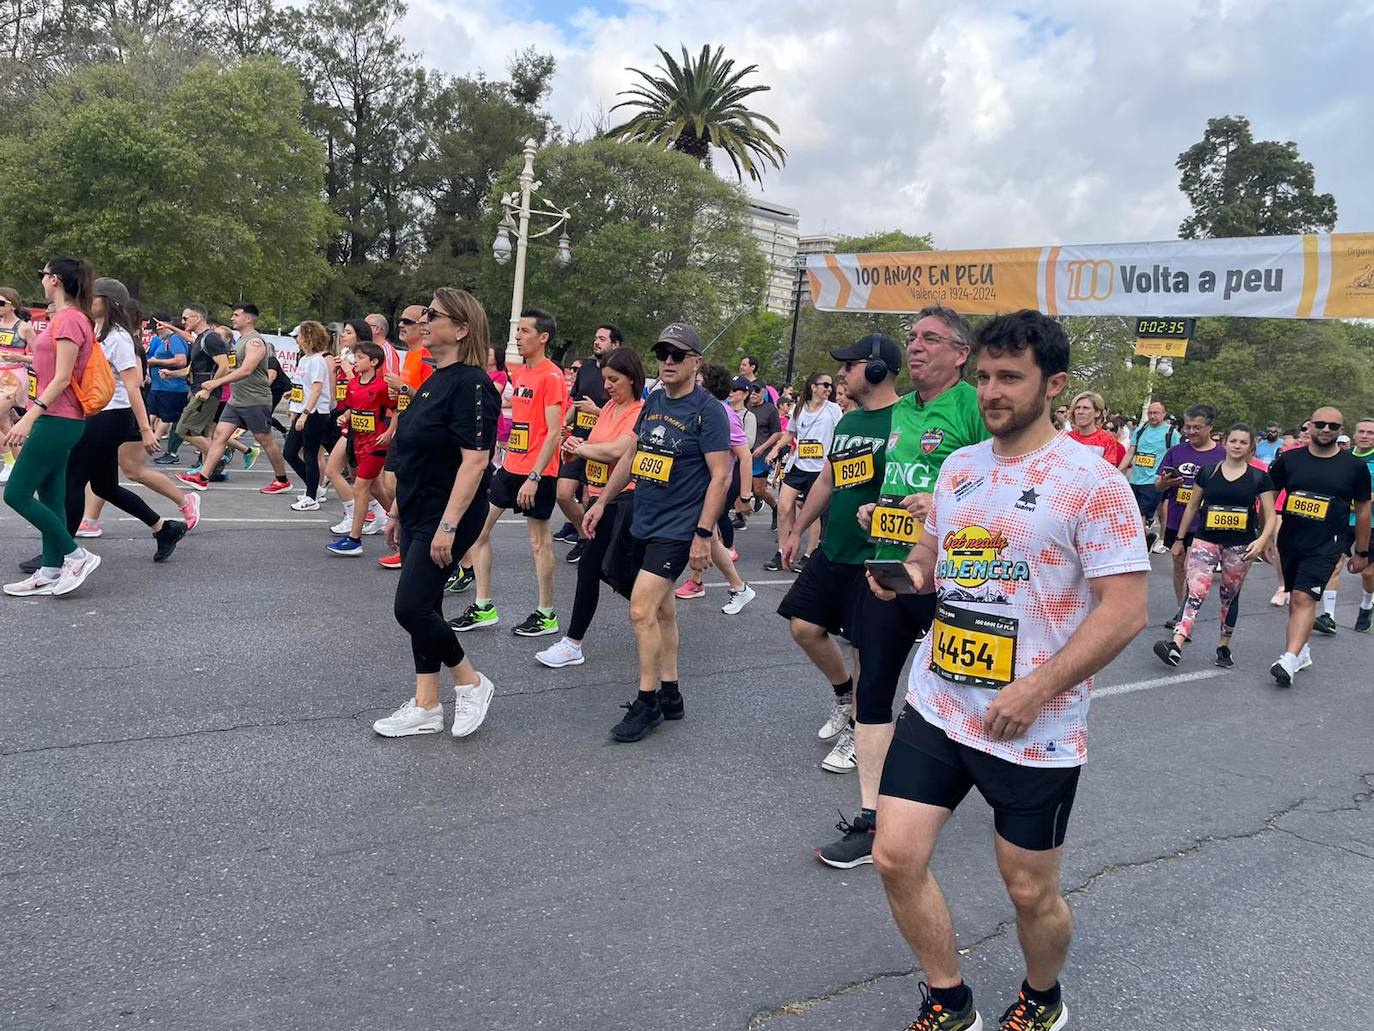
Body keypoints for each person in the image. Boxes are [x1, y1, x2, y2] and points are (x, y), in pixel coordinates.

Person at [871, 309, 1148, 1031]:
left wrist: (1036, 687)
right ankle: (947, 995)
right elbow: (931, 557)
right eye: (985, 375)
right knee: (896, 855)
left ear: (1053, 384)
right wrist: (904, 572)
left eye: (1009, 377)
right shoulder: (960, 468)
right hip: (939, 702)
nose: (991, 391)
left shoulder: (1094, 483)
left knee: (1030, 892)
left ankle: (1043, 994)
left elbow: (1124, 611)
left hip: (1035, 726)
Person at [818, 308, 988, 870]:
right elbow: (899, 480)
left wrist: (942, 509)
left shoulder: (974, 407)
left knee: (964, 692)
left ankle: (1001, 789)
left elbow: (1003, 483)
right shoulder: (901, 411)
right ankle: (873, 820)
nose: (914, 347)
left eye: (930, 340)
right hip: (889, 565)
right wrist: (877, 510)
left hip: (960, 571)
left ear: (961, 354)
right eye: (912, 338)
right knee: (874, 688)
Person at [582, 322, 730, 742]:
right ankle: (671, 693)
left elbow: (720, 477)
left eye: (677, 355)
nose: (667, 361)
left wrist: (703, 535)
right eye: (663, 353)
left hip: (678, 528)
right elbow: (633, 454)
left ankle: (647, 703)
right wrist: (601, 502)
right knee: (663, 611)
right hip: (643, 518)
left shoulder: (708, 411)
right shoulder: (653, 401)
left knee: (640, 610)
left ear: (695, 362)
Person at [373, 289, 500, 738]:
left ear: (462, 328)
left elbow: (475, 460)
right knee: (426, 605)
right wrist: (397, 512)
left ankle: (471, 682)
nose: (422, 321)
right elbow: (416, 454)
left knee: (409, 607)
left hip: (449, 515)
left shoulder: (472, 384)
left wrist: (447, 526)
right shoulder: (432, 378)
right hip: (418, 509)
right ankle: (427, 705)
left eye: (433, 315)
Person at [777, 334, 903, 779]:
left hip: (875, 556)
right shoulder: (848, 423)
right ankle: (843, 696)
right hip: (834, 549)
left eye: (849, 366)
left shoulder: (903, 420)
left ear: (874, 370)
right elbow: (828, 481)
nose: (842, 375)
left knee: (865, 648)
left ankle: (859, 727)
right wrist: (793, 529)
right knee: (804, 627)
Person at [450, 308, 567, 637]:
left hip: (537, 472)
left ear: (543, 338)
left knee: (539, 543)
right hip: (510, 466)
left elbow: (554, 432)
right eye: (517, 331)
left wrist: (534, 476)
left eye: (525, 331)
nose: (517, 336)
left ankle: (547, 614)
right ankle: (484, 606)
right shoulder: (521, 374)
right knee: (478, 531)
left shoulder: (552, 376)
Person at [60, 278, 192, 563]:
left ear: (108, 302)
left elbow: (133, 386)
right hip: (99, 413)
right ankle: (164, 528)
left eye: (92, 296)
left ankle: (62, 553)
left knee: (73, 478)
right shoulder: (97, 331)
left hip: (112, 415)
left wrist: (146, 430)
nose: (86, 300)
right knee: (104, 487)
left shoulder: (119, 337)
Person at [536, 346, 646, 668]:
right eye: (605, 379)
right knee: (604, 570)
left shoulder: (639, 411)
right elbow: (597, 449)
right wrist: (575, 450)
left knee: (597, 568)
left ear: (632, 377)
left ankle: (574, 642)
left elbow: (617, 452)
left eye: (614, 379)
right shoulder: (609, 407)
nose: (607, 386)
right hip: (599, 499)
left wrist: (584, 449)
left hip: (624, 501)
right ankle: (653, 611)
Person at [3, 257, 102, 597]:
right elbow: (52, 366)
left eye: (43, 274)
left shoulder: (70, 320)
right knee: (51, 496)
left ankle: (77, 555)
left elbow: (63, 377)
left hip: (57, 418)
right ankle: (49, 569)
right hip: (55, 417)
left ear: (56, 279)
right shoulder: (61, 319)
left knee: (15, 493)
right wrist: (26, 353)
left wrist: (29, 417)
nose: (41, 280)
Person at [1152, 424, 1277, 669]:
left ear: (1251, 446)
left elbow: (1270, 515)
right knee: (1196, 590)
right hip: (1205, 538)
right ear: (1225, 443)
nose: (1237, 446)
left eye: (1243, 442)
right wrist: (1178, 540)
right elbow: (1192, 506)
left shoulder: (1259, 477)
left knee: (1229, 596)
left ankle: (1223, 646)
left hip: (1240, 544)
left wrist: (1262, 541)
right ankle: (1176, 643)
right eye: (1233, 441)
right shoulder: (1208, 473)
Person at [1266, 406, 1372, 684]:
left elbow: (1362, 510)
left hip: (1328, 542)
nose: (1326, 430)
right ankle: (1302, 651)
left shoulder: (1354, 466)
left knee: (1303, 598)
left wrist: (1361, 551)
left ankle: (1288, 659)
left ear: (1340, 431)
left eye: (1333, 427)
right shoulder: (1289, 460)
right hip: (1291, 540)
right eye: (1321, 424)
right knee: (1296, 597)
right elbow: (1269, 494)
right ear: (1310, 426)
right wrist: (1264, 534)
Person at [176, 304, 292, 494]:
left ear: (248, 319)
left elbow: (246, 370)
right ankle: (203, 477)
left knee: (265, 440)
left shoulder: (254, 342)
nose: (232, 318)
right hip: (236, 399)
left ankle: (282, 480)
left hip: (254, 399)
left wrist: (216, 382)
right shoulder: (240, 341)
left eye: (236, 315)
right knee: (220, 436)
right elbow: (233, 368)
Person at [672, 366, 756, 613]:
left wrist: (745, 496)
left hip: (716, 487)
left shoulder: (723, 414)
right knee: (711, 538)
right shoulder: (702, 409)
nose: (693, 385)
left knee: (705, 535)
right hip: (700, 486)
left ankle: (736, 587)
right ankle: (726, 586)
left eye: (698, 381)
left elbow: (745, 455)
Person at [554, 323, 621, 562]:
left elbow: (624, 412)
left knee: (589, 497)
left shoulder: (622, 374)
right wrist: (563, 424)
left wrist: (596, 411)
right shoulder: (586, 369)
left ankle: (592, 543)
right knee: (562, 494)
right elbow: (575, 402)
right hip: (578, 442)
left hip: (603, 446)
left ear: (616, 344)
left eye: (602, 338)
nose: (596, 342)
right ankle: (583, 533)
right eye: (596, 338)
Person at [764, 372, 842, 572]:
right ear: (813, 386)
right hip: (799, 465)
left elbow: (841, 433)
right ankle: (782, 551)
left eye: (830, 386)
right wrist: (774, 449)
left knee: (812, 512)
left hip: (821, 468)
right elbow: (791, 432)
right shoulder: (799, 409)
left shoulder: (833, 410)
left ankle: (809, 554)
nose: (828, 389)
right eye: (825, 384)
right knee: (783, 506)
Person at [1154, 405, 1224, 627]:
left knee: (1194, 570)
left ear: (1210, 428)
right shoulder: (1176, 452)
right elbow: (1158, 486)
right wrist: (1165, 483)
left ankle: (1185, 617)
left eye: (1197, 428)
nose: (1191, 432)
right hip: (1177, 518)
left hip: (1206, 521)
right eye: (1188, 427)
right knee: (1178, 565)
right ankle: (1181, 608)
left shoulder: (1222, 454)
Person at [377, 303, 434, 569]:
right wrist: (392, 427)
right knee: (390, 485)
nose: (400, 325)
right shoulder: (407, 355)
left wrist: (403, 388)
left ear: (423, 327)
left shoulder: (425, 355)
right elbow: (406, 395)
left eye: (407, 321)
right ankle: (404, 535)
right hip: (403, 427)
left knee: (402, 487)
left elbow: (428, 398)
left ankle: (411, 544)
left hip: (419, 429)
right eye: (400, 320)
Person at [326, 342, 395, 555]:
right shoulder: (353, 383)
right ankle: (401, 520)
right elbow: (351, 408)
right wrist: (344, 418)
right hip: (357, 441)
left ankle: (354, 540)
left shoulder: (383, 386)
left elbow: (396, 410)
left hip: (376, 444)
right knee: (375, 489)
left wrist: (389, 432)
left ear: (374, 362)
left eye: (360, 357)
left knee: (360, 487)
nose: (355, 361)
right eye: (355, 357)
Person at [283, 321, 335, 511]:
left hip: (315, 413)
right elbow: (303, 387)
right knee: (289, 452)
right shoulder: (305, 359)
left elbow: (317, 389)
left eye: (299, 336)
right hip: (303, 411)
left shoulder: (318, 360)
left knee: (310, 454)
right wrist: (294, 403)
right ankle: (313, 487)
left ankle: (312, 496)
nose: (297, 340)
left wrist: (304, 413)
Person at [1120, 401, 1177, 551]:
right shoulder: (1141, 430)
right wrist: (1118, 470)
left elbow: (1176, 456)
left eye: (1156, 413)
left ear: (1164, 414)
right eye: (1150, 413)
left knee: (1141, 513)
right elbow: (1131, 452)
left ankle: (1136, 547)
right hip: (1135, 479)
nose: (1152, 416)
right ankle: (1146, 538)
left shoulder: (1171, 433)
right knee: (1131, 512)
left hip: (1154, 481)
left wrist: (1169, 479)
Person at [0, 286, 36, 479]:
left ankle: (11, 462)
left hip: (14, 378)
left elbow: (40, 356)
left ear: (12, 305)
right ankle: (17, 465)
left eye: (1, 303)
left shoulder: (24, 327)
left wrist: (18, 358)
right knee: (4, 423)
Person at [741, 381, 783, 530]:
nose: (753, 393)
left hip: (762, 455)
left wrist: (764, 447)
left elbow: (778, 433)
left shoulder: (770, 410)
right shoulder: (745, 406)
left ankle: (775, 508)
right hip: (745, 452)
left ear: (764, 392)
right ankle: (740, 517)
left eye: (757, 391)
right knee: (738, 485)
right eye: (751, 390)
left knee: (758, 490)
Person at [143, 315, 190, 445]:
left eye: (160, 325)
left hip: (172, 387)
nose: (157, 328)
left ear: (169, 325)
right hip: (158, 386)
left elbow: (181, 360)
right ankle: (147, 437)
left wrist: (155, 362)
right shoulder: (163, 341)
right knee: (151, 412)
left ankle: (156, 441)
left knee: (166, 416)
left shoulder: (175, 339)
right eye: (156, 325)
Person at [1065, 390, 1125, 466]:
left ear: (1097, 412)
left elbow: (1108, 472)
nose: (1080, 411)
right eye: (1077, 408)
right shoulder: (1067, 439)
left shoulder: (1108, 441)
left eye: (1086, 408)